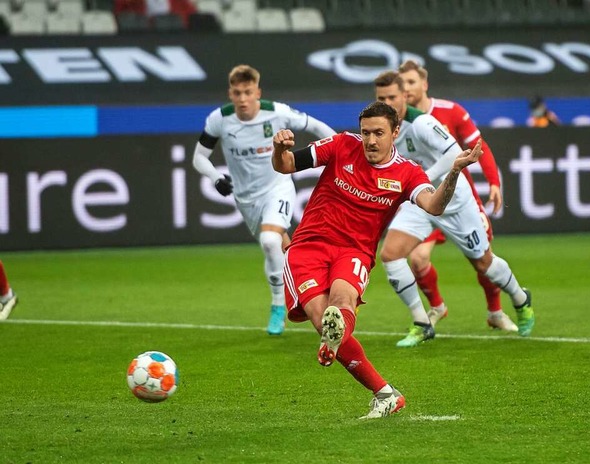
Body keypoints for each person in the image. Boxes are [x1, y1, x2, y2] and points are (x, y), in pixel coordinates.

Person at [272, 101, 483, 419]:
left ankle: (338, 339)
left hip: (354, 251)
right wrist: (279, 148)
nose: (370, 140)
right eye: (366, 132)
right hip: (308, 248)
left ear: (396, 132)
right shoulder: (342, 144)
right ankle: (384, 393)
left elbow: (434, 205)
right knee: (322, 319)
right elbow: (286, 165)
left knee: (341, 300)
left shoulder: (407, 173)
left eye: (379, 133)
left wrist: (453, 171)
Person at [374, 71, 534, 347]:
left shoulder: (422, 122)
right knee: (390, 255)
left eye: (392, 97)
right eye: (381, 98)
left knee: (484, 263)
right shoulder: (382, 126)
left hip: (453, 200)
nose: (387, 102)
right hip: (420, 200)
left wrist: (422, 179)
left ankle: (520, 298)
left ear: (404, 96)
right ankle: (422, 322)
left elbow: (454, 153)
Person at [192, 64, 335, 335]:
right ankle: (306, 286)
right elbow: (199, 157)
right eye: (237, 93)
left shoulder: (276, 112)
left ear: (258, 91)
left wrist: (340, 149)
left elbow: (316, 126)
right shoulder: (219, 119)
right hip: (246, 199)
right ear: (230, 94)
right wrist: (214, 177)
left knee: (269, 241)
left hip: (278, 187)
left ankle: (279, 307)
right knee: (282, 248)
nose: (243, 99)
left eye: (248, 92)